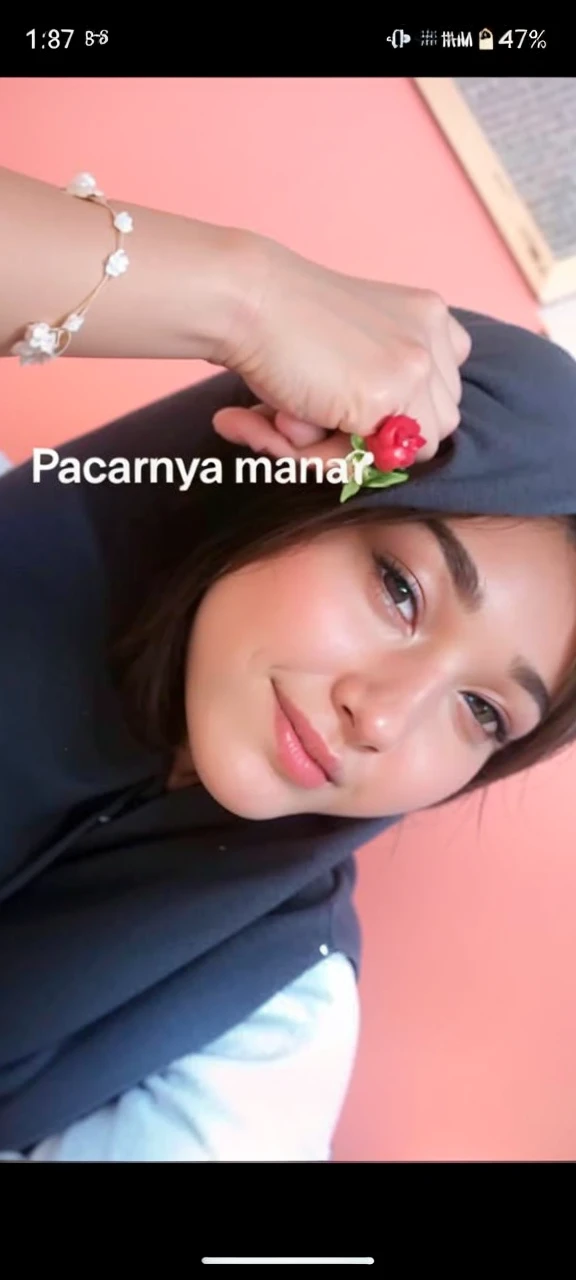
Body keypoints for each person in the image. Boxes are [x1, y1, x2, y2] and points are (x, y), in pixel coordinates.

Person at [1, 166, 576, 1162]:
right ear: (290, 492)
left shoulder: (269, 1017)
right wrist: (243, 291)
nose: (385, 718)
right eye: (400, 589)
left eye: (484, 713)